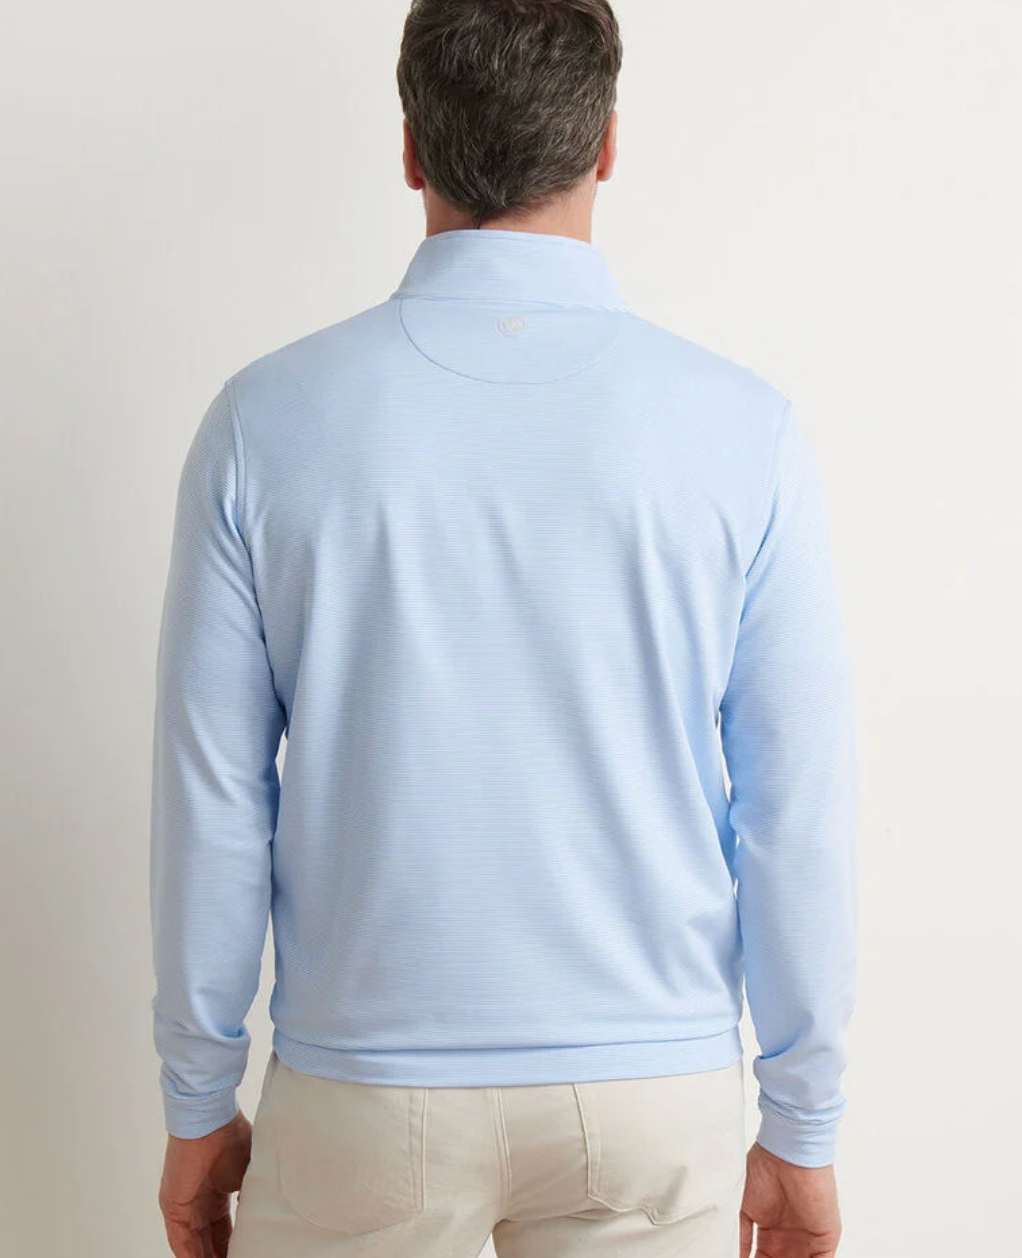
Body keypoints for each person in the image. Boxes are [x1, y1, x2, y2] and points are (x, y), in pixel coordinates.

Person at [149, 2, 858, 1256]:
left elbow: (214, 798)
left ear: (411, 148)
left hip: (363, 1086)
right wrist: (800, 1119)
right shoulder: (742, 431)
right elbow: (791, 807)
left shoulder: (264, 422)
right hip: (649, 1087)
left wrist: (199, 1098)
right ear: (607, 144)